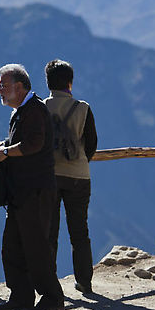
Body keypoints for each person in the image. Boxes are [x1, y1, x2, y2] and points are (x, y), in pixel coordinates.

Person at [0, 64, 66, 310]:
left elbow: (34, 144)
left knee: (35, 247)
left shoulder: (34, 110)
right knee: (12, 247)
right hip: (21, 193)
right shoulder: (22, 111)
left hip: (34, 191)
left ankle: (52, 298)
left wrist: (6, 152)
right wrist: (6, 145)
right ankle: (21, 296)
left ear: (20, 86)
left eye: (4, 84)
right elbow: (27, 142)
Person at [44, 59, 98, 295]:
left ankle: (49, 282)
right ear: (70, 83)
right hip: (79, 176)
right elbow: (92, 144)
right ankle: (84, 282)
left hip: (49, 176)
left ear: (48, 83)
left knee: (49, 231)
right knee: (79, 231)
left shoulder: (40, 107)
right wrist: (77, 160)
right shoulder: (83, 108)